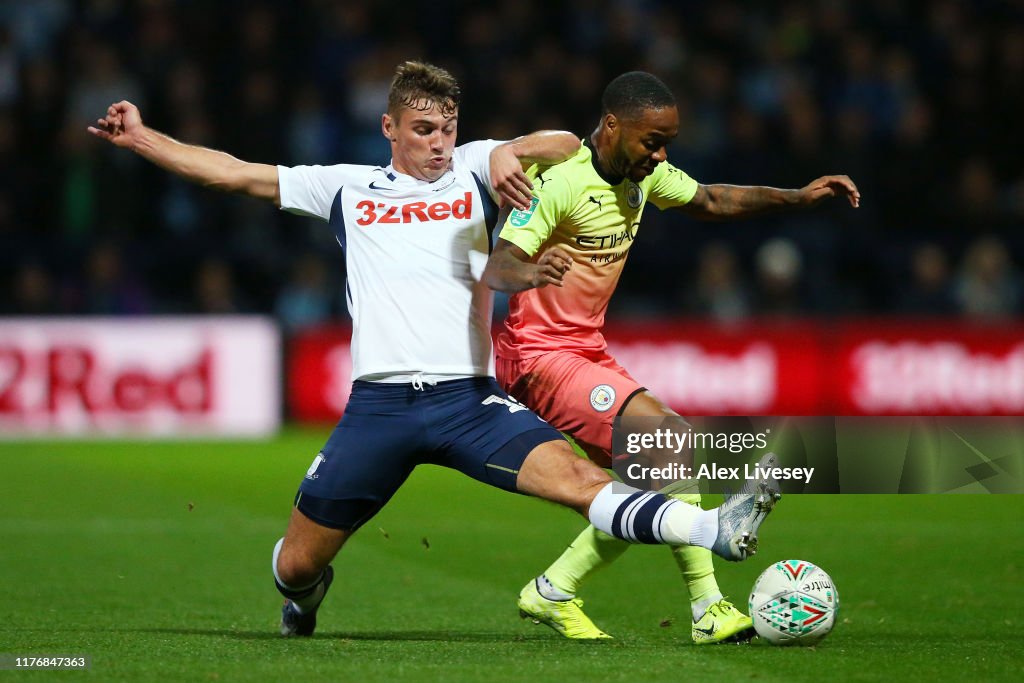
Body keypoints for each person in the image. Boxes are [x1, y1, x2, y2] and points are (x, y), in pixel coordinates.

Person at [88, 62, 782, 638]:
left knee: (581, 483)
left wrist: (509, 149)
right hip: (379, 409)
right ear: (388, 128)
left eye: (448, 128)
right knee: (297, 565)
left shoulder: (475, 169)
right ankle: (304, 600)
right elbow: (232, 172)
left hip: (468, 400)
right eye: (423, 130)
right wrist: (145, 138)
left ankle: (716, 527)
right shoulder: (345, 187)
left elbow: (565, 139)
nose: (439, 143)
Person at [483, 71, 859, 643]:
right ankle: (708, 608)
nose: (660, 154)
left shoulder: (643, 176)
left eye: (667, 144)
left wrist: (797, 196)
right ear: (611, 126)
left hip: (584, 350)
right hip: (537, 356)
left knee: (655, 475)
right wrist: (534, 270)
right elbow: (499, 266)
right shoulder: (561, 183)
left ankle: (554, 590)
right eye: (651, 141)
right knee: (668, 442)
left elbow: (711, 198)